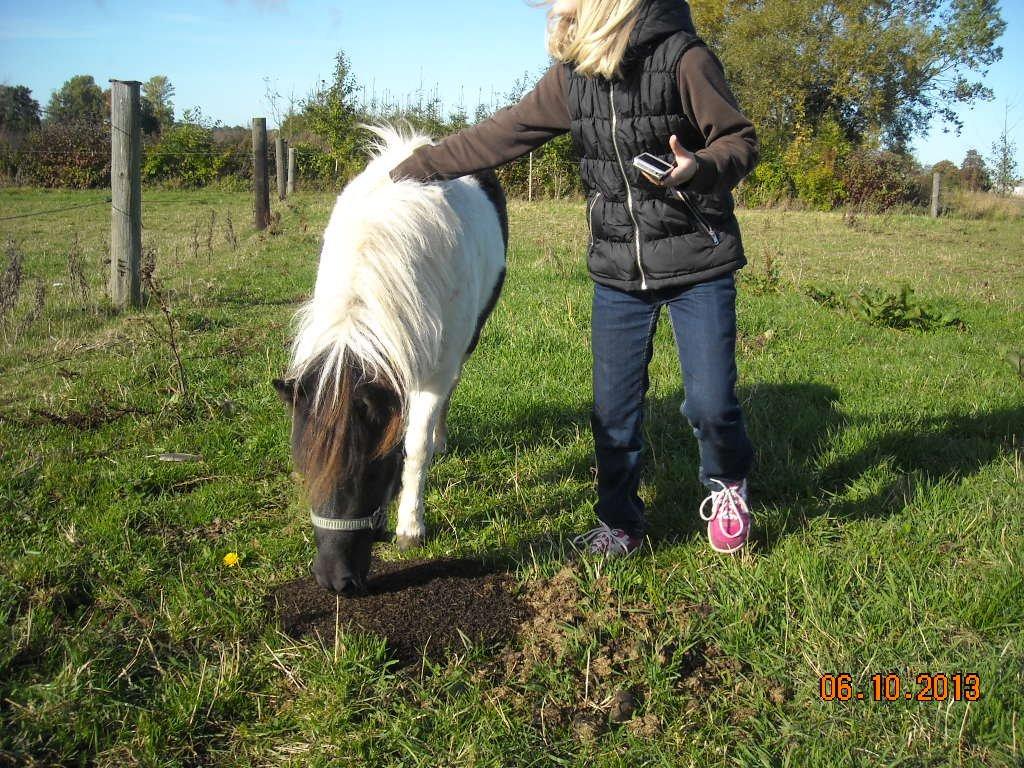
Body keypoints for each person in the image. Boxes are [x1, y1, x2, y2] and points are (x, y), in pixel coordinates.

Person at [390, 0, 758, 556]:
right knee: (614, 411)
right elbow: (502, 134)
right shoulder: (573, 76)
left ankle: (727, 486)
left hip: (697, 261)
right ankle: (619, 522)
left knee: (710, 403)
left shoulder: (685, 57)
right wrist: (412, 169)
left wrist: (699, 167)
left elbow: (739, 140)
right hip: (617, 268)